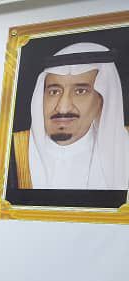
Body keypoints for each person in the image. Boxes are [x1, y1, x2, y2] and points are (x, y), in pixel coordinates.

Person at [9, 42, 129, 190]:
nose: (63, 107)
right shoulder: (12, 151)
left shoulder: (125, 147)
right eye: (54, 92)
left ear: (102, 100)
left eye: (80, 91)